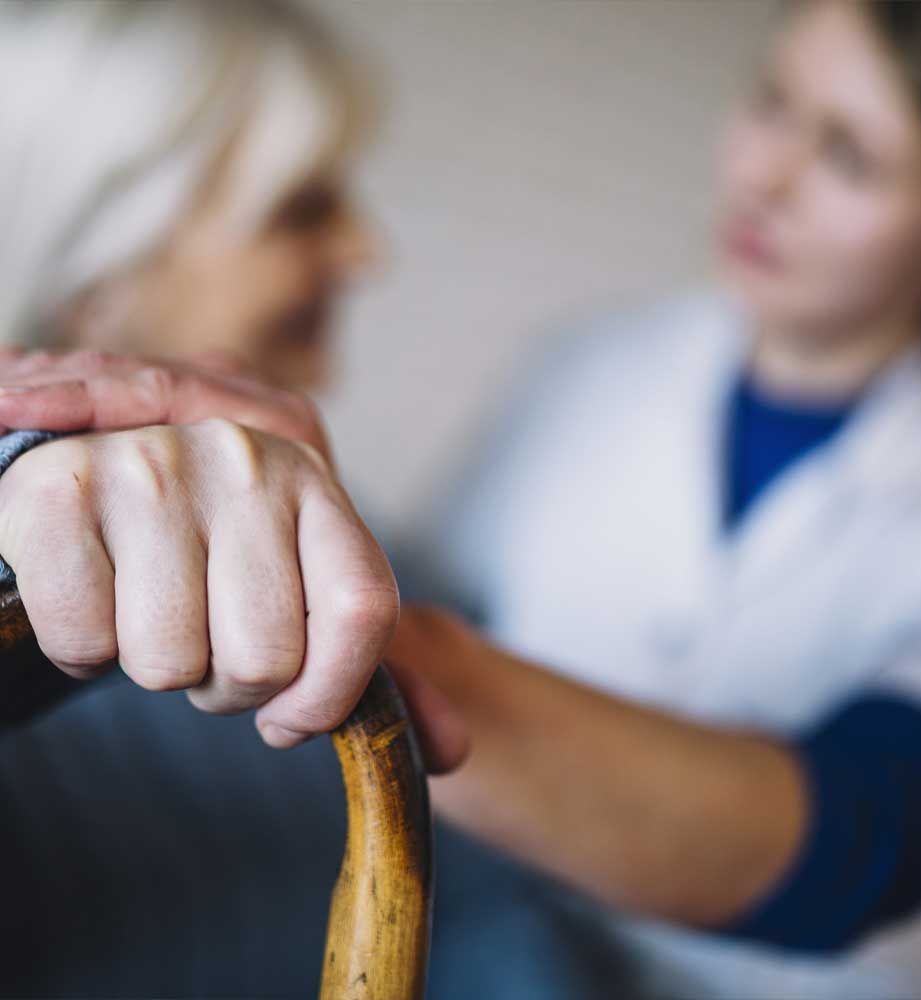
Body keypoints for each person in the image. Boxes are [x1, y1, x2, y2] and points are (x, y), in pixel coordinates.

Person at [4, 1, 921, 998]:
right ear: (103, 270)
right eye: (772, 101)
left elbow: (877, 831)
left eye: (851, 158)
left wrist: (346, 620)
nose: (761, 175)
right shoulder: (581, 374)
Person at [0, 2, 624, 998]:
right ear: (100, 271)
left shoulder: (342, 531)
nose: (367, 250)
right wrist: (28, 468)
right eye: (301, 206)